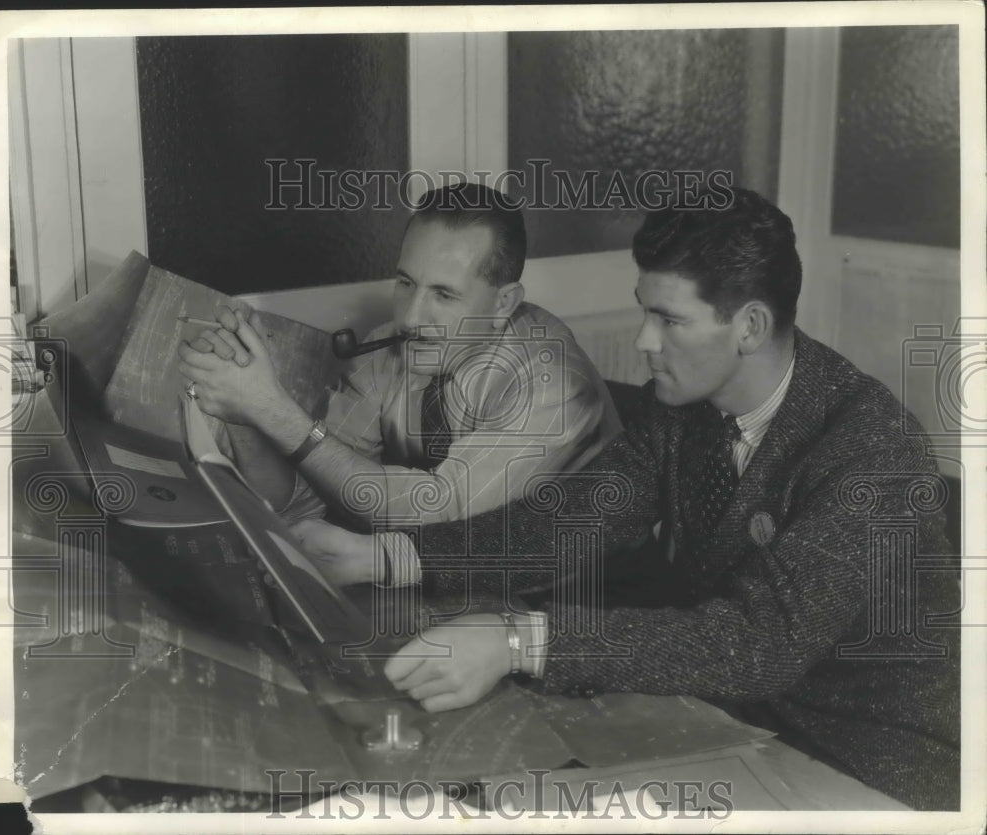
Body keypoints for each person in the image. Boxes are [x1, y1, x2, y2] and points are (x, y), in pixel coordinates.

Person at [290, 188, 960, 810]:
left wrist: (521, 640)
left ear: (749, 326)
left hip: (870, 768)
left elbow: (757, 642)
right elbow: (563, 522)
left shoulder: (872, 448)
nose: (643, 341)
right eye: (645, 311)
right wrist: (384, 555)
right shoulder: (687, 409)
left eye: (668, 319)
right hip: (732, 724)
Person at [178, 183, 621, 563]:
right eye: (406, 283)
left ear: (504, 302)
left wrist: (274, 410)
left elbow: (443, 514)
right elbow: (307, 500)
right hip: (446, 583)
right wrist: (247, 415)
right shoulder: (390, 348)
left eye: (444, 295)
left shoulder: (552, 381)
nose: (411, 318)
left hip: (575, 599)